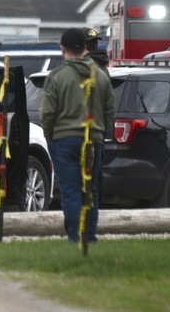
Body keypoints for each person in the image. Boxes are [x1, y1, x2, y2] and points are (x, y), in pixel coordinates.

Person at [40, 28, 116, 244]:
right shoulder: (101, 75)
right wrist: (100, 130)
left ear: (62, 49)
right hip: (94, 139)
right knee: (91, 189)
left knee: (71, 189)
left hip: (65, 139)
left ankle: (74, 237)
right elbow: (110, 110)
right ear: (85, 48)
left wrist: (51, 138)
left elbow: (47, 114)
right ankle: (90, 236)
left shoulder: (56, 77)